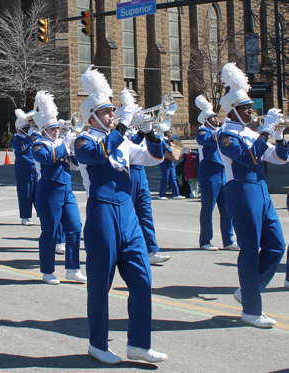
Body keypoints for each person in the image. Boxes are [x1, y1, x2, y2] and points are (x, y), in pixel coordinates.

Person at [74, 66, 167, 364]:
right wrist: (123, 128)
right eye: (105, 112)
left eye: (112, 111)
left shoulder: (122, 140)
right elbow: (95, 154)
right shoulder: (83, 139)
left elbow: (153, 158)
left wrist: (150, 131)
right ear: (91, 116)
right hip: (102, 210)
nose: (111, 115)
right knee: (100, 282)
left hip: (127, 212)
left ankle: (139, 344)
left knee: (142, 279)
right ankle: (98, 344)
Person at [217, 62, 288, 328]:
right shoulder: (225, 135)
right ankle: (251, 310)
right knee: (249, 249)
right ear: (233, 110)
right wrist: (267, 131)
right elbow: (248, 159)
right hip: (242, 189)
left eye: (251, 107)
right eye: (247, 108)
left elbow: (278, 158)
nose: (252, 111)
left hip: (261, 189)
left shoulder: (249, 132)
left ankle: (248, 291)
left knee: (276, 245)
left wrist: (280, 136)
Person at [31, 90, 86, 285]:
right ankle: (47, 271)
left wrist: (73, 149)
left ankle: (72, 268)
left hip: (66, 190)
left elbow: (75, 165)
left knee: (74, 227)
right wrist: (65, 145)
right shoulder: (38, 144)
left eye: (58, 128)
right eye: (53, 128)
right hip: (48, 191)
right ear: (45, 129)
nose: (57, 131)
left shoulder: (59, 143)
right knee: (50, 232)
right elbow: (47, 159)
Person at [115, 88, 170, 265]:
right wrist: (140, 133)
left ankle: (151, 250)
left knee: (146, 214)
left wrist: (149, 131)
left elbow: (151, 153)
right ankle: (121, 250)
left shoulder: (134, 131)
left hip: (141, 176)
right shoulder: (119, 133)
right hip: (127, 175)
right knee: (126, 216)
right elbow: (125, 148)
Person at [194, 94, 238, 251]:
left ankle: (228, 240)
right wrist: (222, 130)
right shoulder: (202, 131)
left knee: (227, 208)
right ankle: (205, 240)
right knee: (208, 207)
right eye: (213, 117)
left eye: (216, 117)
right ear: (206, 120)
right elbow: (210, 141)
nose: (216, 119)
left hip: (222, 172)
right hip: (209, 172)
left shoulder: (220, 130)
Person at [12, 109, 38, 226]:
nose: (29, 129)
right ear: (20, 128)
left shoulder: (30, 136)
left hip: (35, 166)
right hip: (23, 168)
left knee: (38, 191)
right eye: (26, 127)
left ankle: (42, 213)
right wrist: (29, 136)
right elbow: (21, 148)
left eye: (29, 127)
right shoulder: (16, 139)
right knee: (25, 192)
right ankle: (25, 217)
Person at [158, 129, 185, 200]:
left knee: (173, 177)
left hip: (170, 161)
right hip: (164, 161)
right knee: (165, 177)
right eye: (170, 133)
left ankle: (176, 194)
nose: (172, 134)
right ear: (167, 133)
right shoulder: (163, 140)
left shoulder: (169, 141)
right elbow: (166, 148)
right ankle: (161, 194)